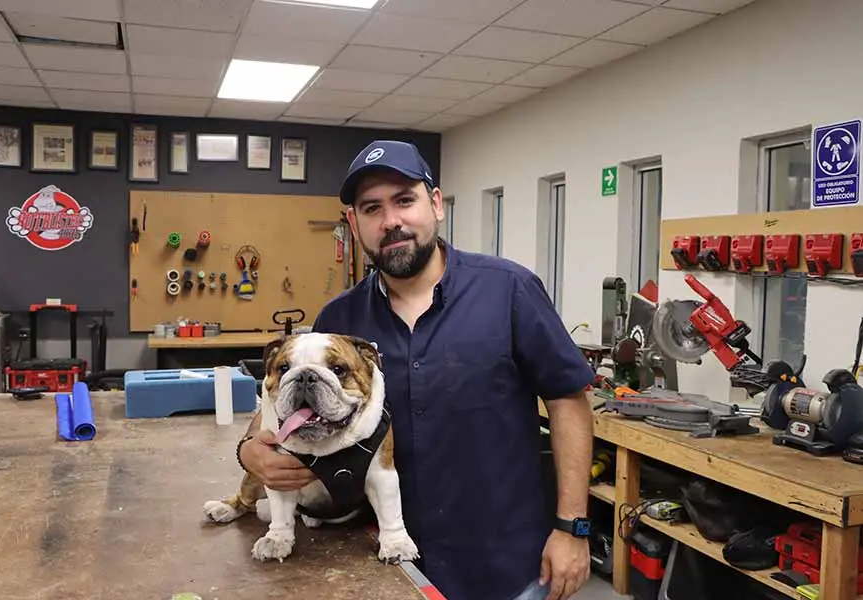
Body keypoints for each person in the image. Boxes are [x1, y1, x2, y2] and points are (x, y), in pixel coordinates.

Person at [238, 140, 597, 600]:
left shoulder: (509, 291)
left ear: (435, 204)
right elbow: (285, 394)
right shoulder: (339, 321)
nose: (391, 221)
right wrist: (249, 449)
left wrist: (573, 527)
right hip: (379, 558)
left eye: (404, 200)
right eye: (372, 208)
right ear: (354, 224)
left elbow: (568, 402)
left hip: (503, 563)